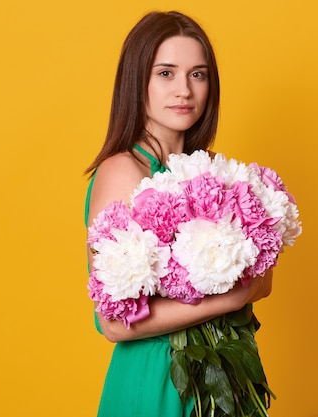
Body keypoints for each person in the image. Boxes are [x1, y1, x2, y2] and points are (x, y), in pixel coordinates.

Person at [84, 10, 273, 417]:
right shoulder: (123, 171)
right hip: (159, 380)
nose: (184, 90)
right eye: (166, 73)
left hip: (225, 379)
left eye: (198, 74)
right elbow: (113, 322)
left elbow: (265, 277)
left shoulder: (214, 172)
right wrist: (230, 298)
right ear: (137, 82)